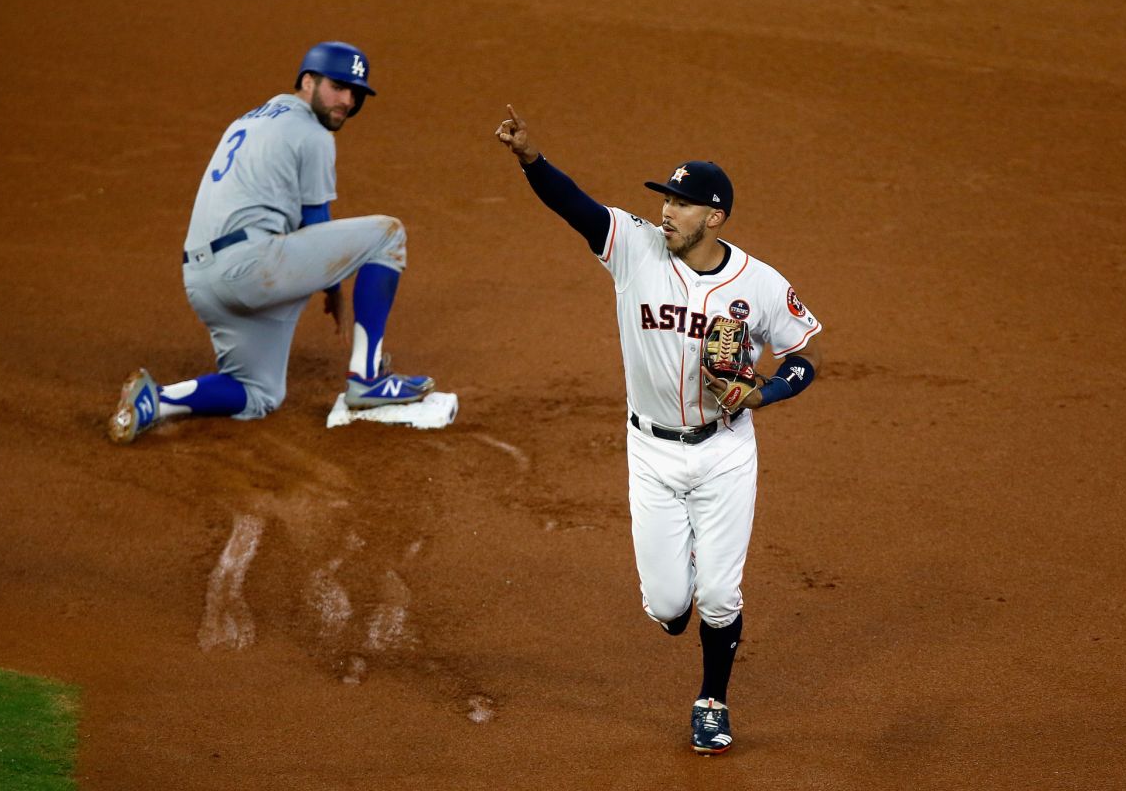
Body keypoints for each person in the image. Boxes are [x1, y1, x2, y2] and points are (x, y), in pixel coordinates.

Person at [496, 106, 823, 754]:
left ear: (714, 218)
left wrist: (764, 391)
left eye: (681, 203)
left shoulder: (759, 286)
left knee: (721, 594)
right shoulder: (634, 248)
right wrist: (531, 157)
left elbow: (803, 358)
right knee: (671, 608)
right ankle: (682, 596)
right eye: (666, 199)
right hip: (649, 450)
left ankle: (711, 701)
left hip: (726, 451)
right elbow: (577, 207)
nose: (667, 212)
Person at [109, 41, 434, 444]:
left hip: (201, 280)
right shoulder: (312, 134)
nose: (348, 101)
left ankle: (155, 401)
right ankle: (367, 378)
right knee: (389, 234)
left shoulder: (248, 120)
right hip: (251, 266)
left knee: (260, 393)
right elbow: (314, 221)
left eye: (356, 94)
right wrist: (334, 288)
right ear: (307, 81)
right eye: (338, 87)